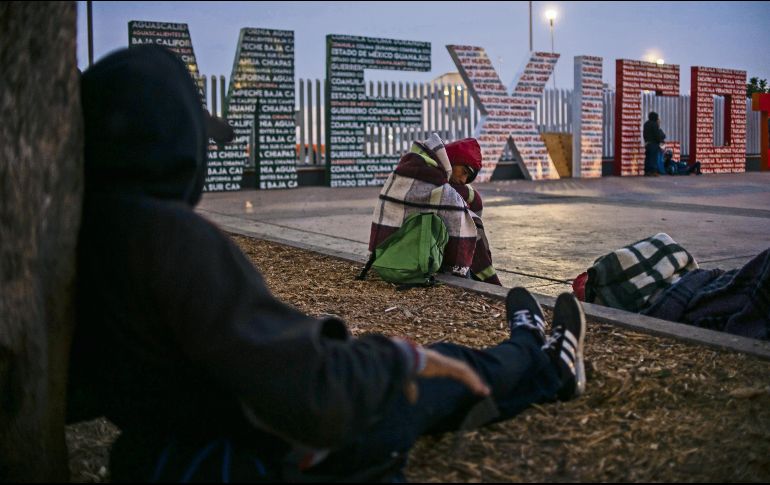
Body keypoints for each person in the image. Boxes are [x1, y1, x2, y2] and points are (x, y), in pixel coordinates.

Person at [67, 45, 587, 482]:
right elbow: (315, 392)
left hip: (171, 453)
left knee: (426, 378)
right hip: (267, 452)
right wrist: (395, 361)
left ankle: (533, 353)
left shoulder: (83, 240)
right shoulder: (168, 241)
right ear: (171, 144)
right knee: (447, 368)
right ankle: (543, 357)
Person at [369, 134, 501, 285]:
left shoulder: (432, 171)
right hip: (399, 253)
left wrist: (470, 195)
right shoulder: (422, 169)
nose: (463, 180)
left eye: (468, 178)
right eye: (464, 172)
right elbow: (453, 205)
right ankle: (481, 277)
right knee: (467, 219)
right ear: (453, 160)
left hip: (383, 255)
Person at [643, 111, 666, 176]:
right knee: (653, 158)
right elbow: (657, 135)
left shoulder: (646, 124)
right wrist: (660, 141)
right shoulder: (654, 124)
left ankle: (646, 171)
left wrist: (646, 141)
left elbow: (644, 134)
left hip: (647, 143)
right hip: (654, 144)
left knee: (647, 158)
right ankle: (653, 172)